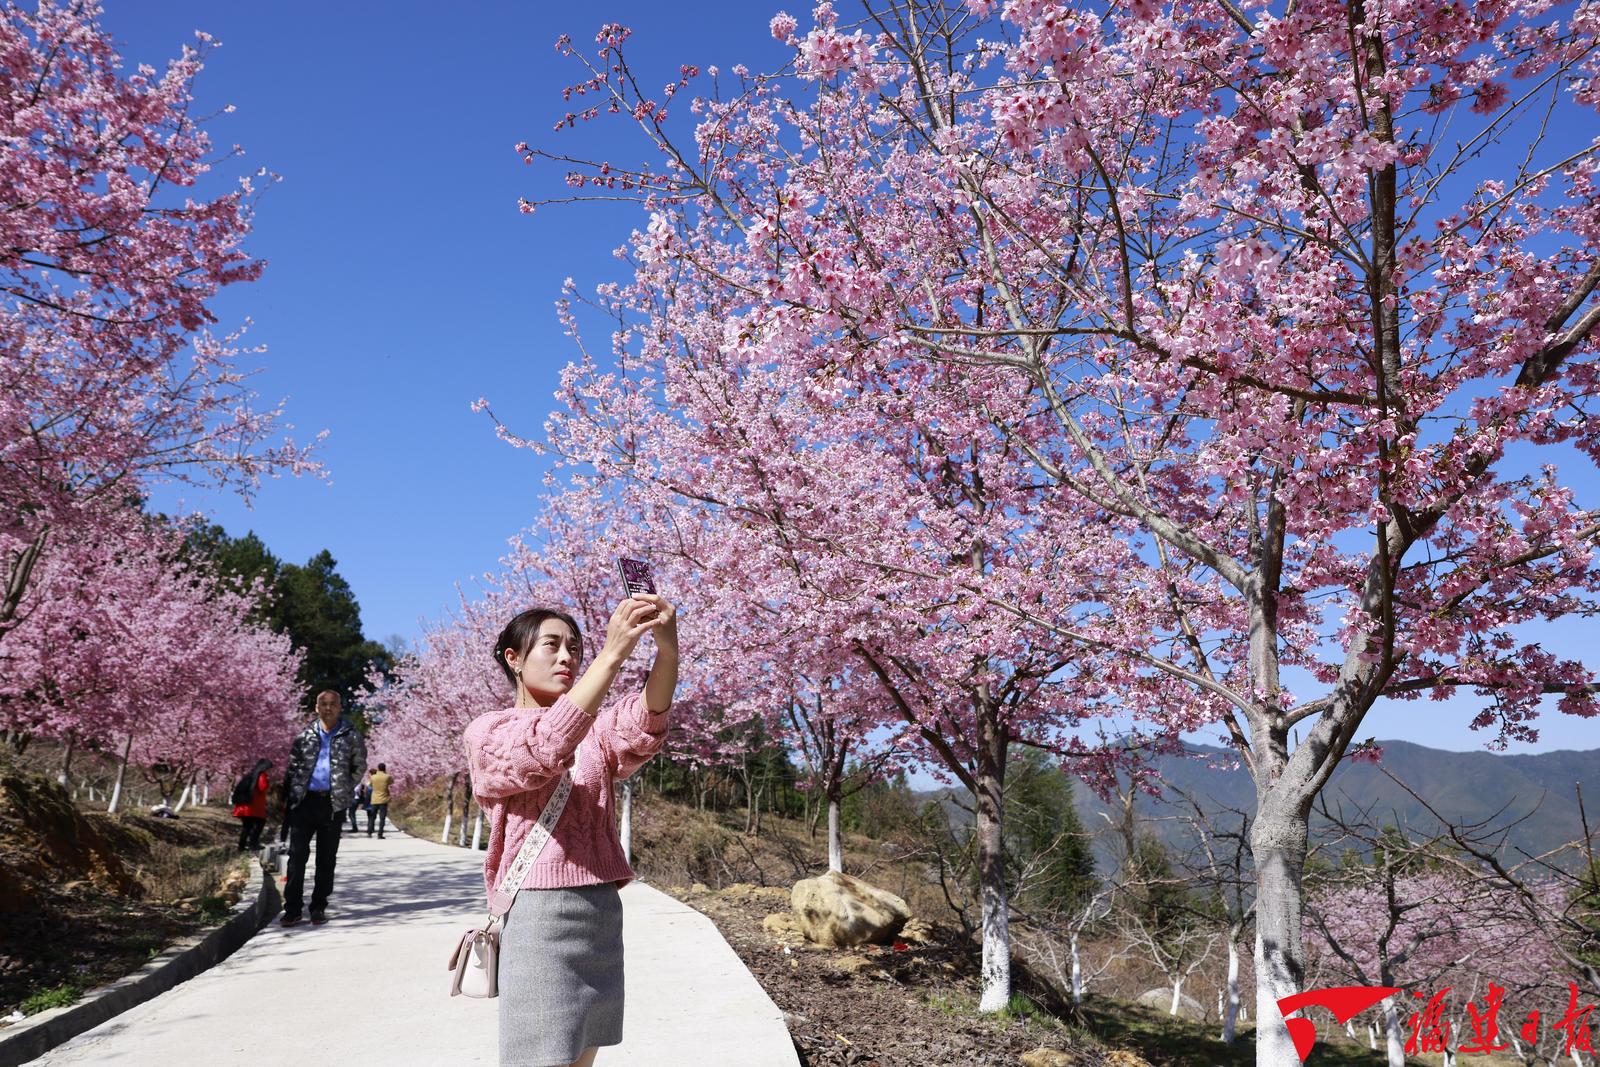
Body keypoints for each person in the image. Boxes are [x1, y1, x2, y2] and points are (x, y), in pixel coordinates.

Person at [464, 595, 677, 1067]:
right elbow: (543, 748)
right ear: (513, 659)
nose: (567, 657)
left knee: (583, 1053)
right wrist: (612, 655)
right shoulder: (489, 731)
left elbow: (646, 722)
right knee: (538, 1057)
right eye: (552, 645)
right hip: (539, 911)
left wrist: (668, 651)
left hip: (600, 906)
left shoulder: (596, 730)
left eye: (575, 648)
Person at [280, 690, 367, 927]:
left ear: (340, 707)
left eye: (333, 704)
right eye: (323, 704)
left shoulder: (350, 735)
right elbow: (293, 767)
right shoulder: (304, 735)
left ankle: (318, 906)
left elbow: (359, 766)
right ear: (316, 708)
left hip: (332, 804)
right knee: (297, 857)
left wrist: (345, 788)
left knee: (326, 859)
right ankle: (292, 908)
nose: (328, 708)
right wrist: (288, 795)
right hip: (304, 802)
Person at [231, 759, 273, 852]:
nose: (270, 771)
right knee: (260, 823)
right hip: (253, 806)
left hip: (245, 806)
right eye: (269, 768)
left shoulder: (251, 774)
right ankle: (253, 844)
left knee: (247, 826)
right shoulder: (261, 775)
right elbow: (262, 787)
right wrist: (268, 780)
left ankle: (241, 846)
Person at [367, 762, 392, 838]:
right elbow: (391, 782)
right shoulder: (387, 776)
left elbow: (370, 785)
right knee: (382, 818)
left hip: (374, 799)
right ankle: (380, 834)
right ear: (384, 768)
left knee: (372, 817)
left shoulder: (373, 777)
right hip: (384, 799)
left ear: (378, 768)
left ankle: (369, 832)